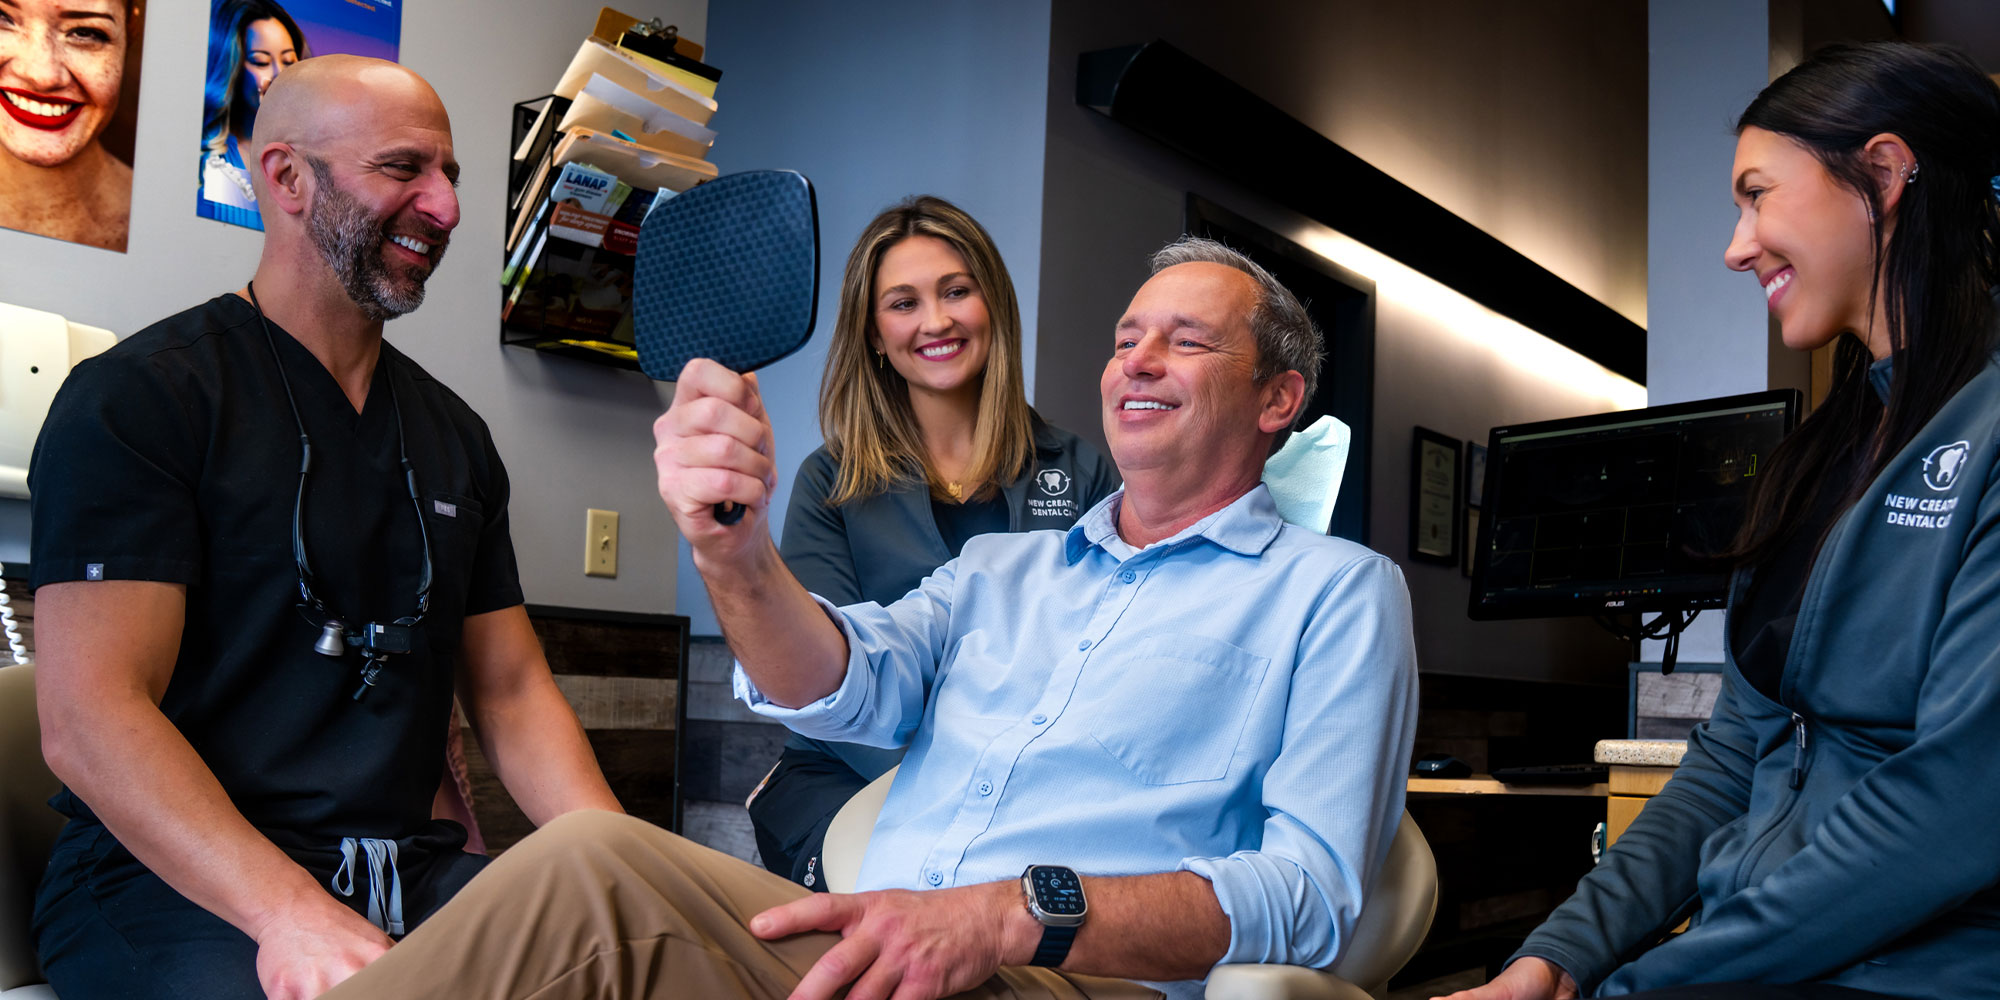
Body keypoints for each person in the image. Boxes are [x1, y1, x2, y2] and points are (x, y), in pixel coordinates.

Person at [289, 236, 1416, 1000]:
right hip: (867, 948)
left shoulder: (1335, 595)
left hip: (1053, 978)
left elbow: (1310, 896)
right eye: (1126, 337)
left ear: (1276, 400)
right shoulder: (1001, 572)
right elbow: (837, 677)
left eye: (1186, 340)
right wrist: (731, 546)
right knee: (589, 869)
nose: (1136, 361)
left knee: (591, 875)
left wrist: (1010, 915)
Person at [28, 55, 621, 1000]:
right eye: (403, 169)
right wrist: (287, 913)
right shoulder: (142, 400)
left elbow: (510, 696)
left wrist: (620, 873)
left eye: (451, 178)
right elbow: (91, 720)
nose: (447, 209)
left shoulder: (456, 439)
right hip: (180, 887)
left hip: (402, 878)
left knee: (638, 967)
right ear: (288, 178)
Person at [1439, 42, 2000, 1000]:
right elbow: (1729, 759)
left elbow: (1955, 807)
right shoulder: (1820, 460)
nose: (1736, 245)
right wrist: (1557, 957)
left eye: (1757, 194)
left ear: (1883, 171)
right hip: (1755, 961)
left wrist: (1650, 984)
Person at [749, 195, 1119, 888]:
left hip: (1030, 787)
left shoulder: (1079, 469)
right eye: (903, 302)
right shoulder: (830, 481)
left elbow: (1102, 657)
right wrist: (957, 795)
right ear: (873, 334)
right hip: (849, 777)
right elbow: (826, 680)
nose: (937, 320)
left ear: (993, 307)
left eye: (956, 292)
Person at [0, 0, 135, 251]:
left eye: (85, 32)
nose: (43, 76)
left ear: (129, 33)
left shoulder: (169, 224)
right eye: (2, 17)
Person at [197, 0, 307, 228]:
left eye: (289, 62)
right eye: (261, 61)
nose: (280, 74)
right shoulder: (211, 164)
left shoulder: (312, 162)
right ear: (231, 67)